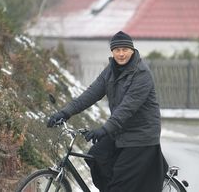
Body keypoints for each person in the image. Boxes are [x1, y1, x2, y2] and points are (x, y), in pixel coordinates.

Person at [47, 31, 168, 192]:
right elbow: (90, 94)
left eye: (125, 49)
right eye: (117, 50)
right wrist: (65, 113)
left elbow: (127, 108)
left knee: (120, 182)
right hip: (120, 131)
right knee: (96, 157)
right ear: (112, 52)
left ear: (132, 50)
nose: (121, 53)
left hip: (141, 136)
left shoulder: (141, 74)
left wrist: (104, 130)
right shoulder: (110, 71)